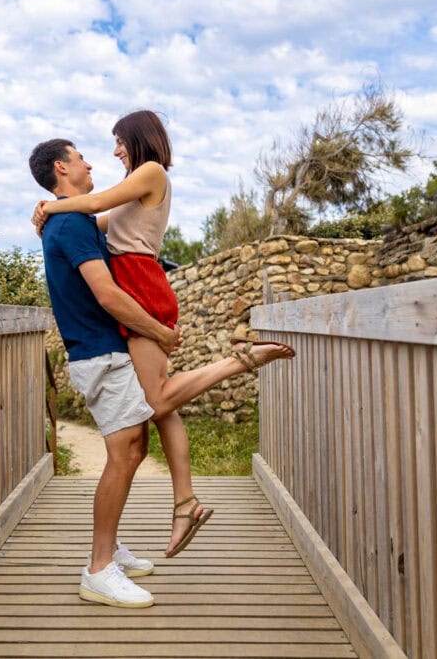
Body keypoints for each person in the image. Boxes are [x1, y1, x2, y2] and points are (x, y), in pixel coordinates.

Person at [32, 112, 295, 558]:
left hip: (139, 284)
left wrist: (51, 206)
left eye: (118, 142)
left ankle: (243, 360)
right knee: (161, 406)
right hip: (137, 281)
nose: (113, 152)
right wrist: (54, 214)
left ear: (138, 138)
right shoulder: (128, 194)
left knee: (156, 400)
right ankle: (185, 503)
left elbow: (91, 208)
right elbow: (92, 222)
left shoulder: (150, 172)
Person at [29, 137, 180, 609]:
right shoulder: (71, 224)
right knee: (124, 453)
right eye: (80, 158)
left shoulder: (71, 220)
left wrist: (45, 211)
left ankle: (109, 548)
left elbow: (103, 215)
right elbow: (108, 296)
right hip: (99, 353)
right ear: (62, 167)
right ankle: (98, 570)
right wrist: (160, 331)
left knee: (135, 448)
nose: (91, 162)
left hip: (105, 350)